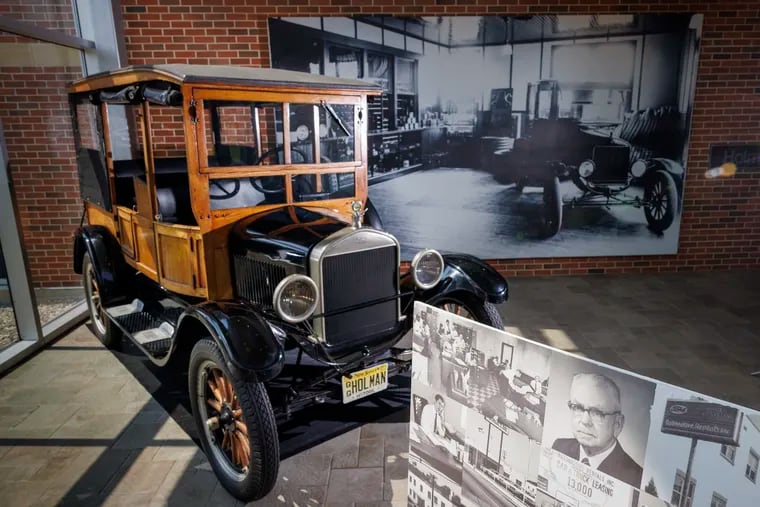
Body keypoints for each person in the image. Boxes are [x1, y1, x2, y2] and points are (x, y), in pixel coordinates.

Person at [551, 373, 643, 488]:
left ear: (617, 424)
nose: (585, 421)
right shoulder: (559, 446)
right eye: (578, 407)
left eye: (597, 413)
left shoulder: (636, 479)